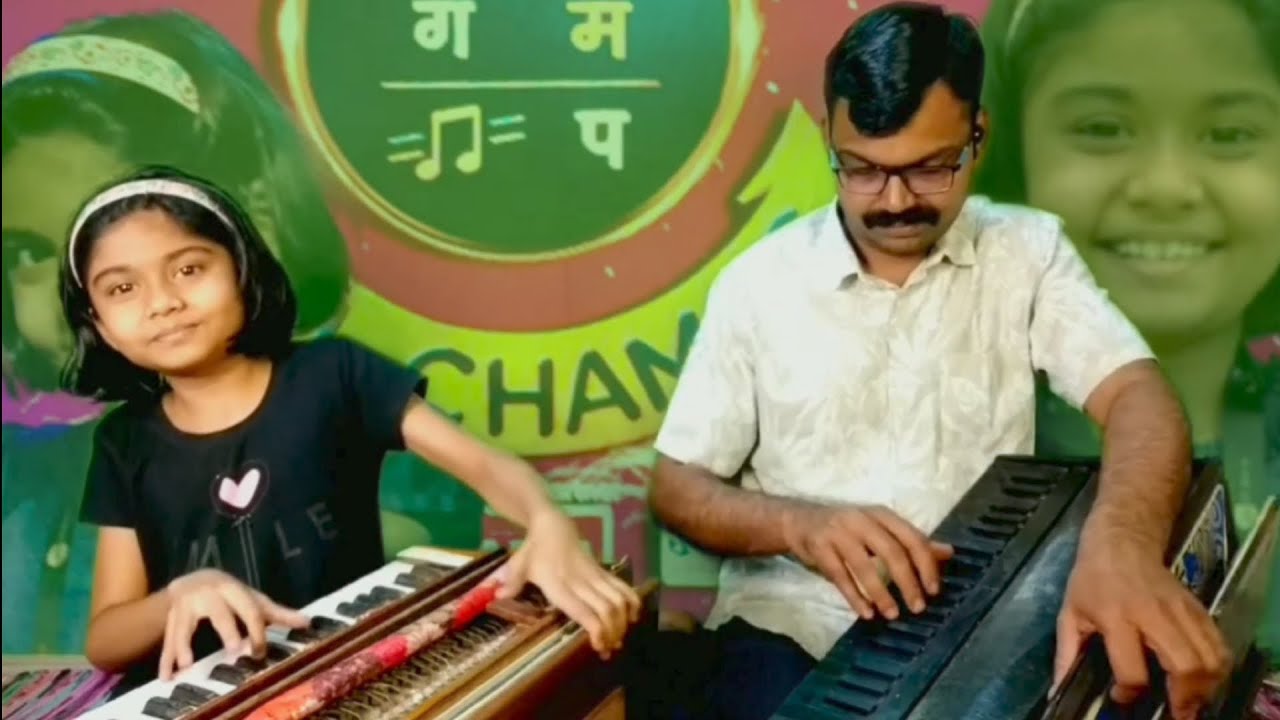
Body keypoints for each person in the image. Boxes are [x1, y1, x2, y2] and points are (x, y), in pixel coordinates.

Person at [640, 4, 1231, 720]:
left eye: (928, 169)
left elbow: (1139, 395)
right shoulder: (758, 284)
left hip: (982, 633)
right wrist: (800, 527)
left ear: (976, 136)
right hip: (786, 632)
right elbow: (676, 486)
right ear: (829, 138)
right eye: (862, 170)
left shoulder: (1027, 252)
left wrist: (1125, 550)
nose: (893, 202)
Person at [59, 165, 642, 697]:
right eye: (122, 289)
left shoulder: (334, 373)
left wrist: (547, 522)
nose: (163, 302)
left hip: (350, 686)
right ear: (99, 325)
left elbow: (489, 468)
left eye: (189, 269)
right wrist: (181, 594)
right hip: (205, 703)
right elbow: (107, 639)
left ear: (241, 269)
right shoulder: (124, 439)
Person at [0, 11, 430, 655]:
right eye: (29, 252)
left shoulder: (357, 424)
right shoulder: (44, 473)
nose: (78, 285)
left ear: (242, 229)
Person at [975, 0, 1280, 665]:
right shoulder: (943, 441)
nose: (1166, 188)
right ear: (1010, 159)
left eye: (1230, 135)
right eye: (1103, 127)